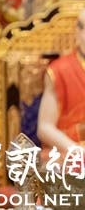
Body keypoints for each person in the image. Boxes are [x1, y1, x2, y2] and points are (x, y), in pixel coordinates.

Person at [38, 8, 85, 157]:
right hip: (70, 150)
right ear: (78, 32)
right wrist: (77, 150)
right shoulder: (59, 71)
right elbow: (45, 127)